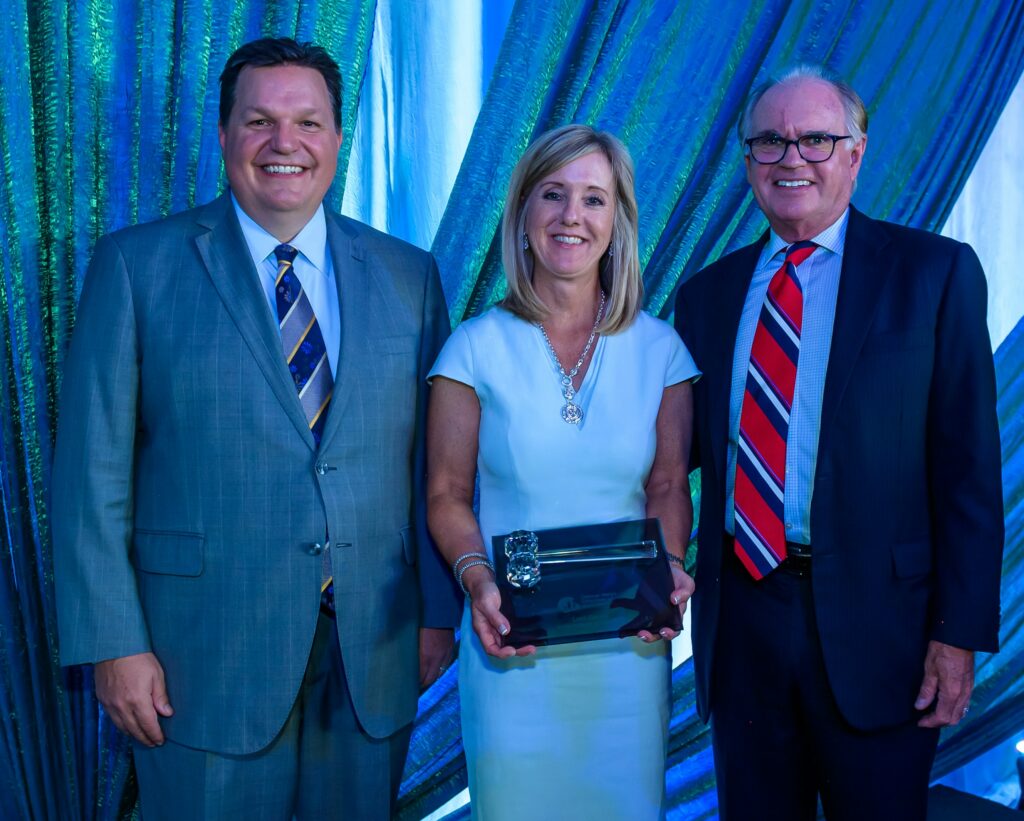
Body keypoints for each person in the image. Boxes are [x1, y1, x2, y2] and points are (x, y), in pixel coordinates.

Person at [51, 37, 459, 819]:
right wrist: (113, 642)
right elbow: (91, 478)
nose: (285, 144)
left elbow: (429, 469)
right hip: (197, 659)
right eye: (259, 121)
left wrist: (436, 611)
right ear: (223, 133)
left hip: (371, 653)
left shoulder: (410, 276)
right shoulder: (138, 267)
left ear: (340, 138)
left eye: (308, 122)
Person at [674, 65, 1003, 820]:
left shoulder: (934, 274)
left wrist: (957, 636)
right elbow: (670, 458)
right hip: (745, 627)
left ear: (856, 152)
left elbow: (968, 470)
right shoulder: (708, 296)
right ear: (748, 159)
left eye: (816, 139)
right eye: (769, 141)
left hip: (885, 632)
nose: (791, 158)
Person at [427, 124, 699, 819]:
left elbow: (668, 485)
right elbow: (446, 495)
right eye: (552, 194)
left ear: (619, 221)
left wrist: (667, 570)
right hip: (509, 646)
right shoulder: (473, 348)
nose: (571, 216)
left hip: (626, 656)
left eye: (594, 198)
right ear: (522, 215)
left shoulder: (663, 350)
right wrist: (478, 580)